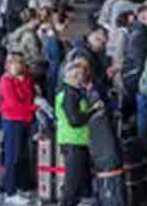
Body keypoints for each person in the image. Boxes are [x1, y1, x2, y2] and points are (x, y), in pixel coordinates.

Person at [0, 52, 37, 204]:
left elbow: (28, 96)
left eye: (20, 62)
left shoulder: (27, 79)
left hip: (25, 121)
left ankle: (22, 187)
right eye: (14, 62)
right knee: (11, 156)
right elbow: (13, 103)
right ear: (8, 65)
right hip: (12, 120)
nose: (18, 65)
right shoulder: (5, 81)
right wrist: (33, 107)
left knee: (22, 156)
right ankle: (10, 192)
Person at [57, 59, 95, 206]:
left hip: (79, 141)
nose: (82, 78)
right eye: (78, 75)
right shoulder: (69, 94)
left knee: (79, 180)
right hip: (72, 142)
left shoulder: (75, 92)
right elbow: (75, 120)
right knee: (72, 183)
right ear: (70, 76)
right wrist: (92, 112)